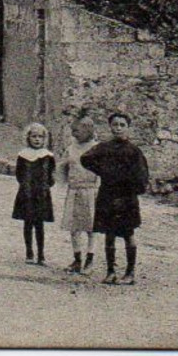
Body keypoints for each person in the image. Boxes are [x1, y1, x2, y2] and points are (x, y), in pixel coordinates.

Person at [82, 112, 152, 285]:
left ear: (128, 128)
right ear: (110, 127)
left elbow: (143, 176)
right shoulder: (104, 147)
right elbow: (86, 159)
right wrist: (103, 171)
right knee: (109, 233)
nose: (118, 128)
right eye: (115, 125)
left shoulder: (134, 151)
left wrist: (132, 188)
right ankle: (110, 272)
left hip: (127, 197)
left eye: (122, 125)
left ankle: (130, 273)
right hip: (107, 194)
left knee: (128, 233)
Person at [60, 112, 101, 274]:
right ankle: (77, 259)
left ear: (88, 130)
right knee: (74, 227)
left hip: (91, 191)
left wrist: (98, 187)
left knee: (91, 227)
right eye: (73, 130)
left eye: (77, 130)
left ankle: (90, 259)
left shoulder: (96, 148)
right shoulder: (71, 148)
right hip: (74, 190)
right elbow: (63, 167)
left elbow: (101, 171)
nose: (73, 133)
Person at [13, 122, 56, 265]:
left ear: (45, 139)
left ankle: (41, 254)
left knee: (40, 225)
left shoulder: (48, 156)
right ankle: (29, 253)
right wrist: (26, 186)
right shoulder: (23, 155)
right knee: (28, 223)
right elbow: (19, 174)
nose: (37, 139)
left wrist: (45, 186)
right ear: (28, 138)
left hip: (42, 194)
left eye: (40, 137)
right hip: (27, 193)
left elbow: (51, 175)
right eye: (34, 136)